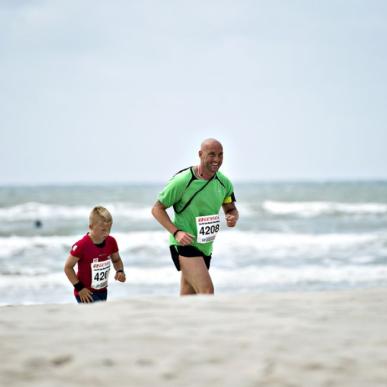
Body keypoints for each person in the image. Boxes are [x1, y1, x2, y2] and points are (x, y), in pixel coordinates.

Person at [151, 138, 239, 295]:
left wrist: (232, 216)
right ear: (200, 154)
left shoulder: (224, 183)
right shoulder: (183, 180)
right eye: (212, 154)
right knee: (206, 290)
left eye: (220, 155)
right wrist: (176, 232)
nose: (217, 160)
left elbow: (230, 208)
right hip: (184, 245)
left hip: (205, 247)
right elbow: (157, 209)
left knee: (188, 297)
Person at [64, 206, 126, 303]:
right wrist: (80, 288)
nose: (107, 233)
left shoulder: (111, 242)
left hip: (102, 291)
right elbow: (68, 267)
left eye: (109, 229)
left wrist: (120, 271)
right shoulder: (81, 245)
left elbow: (116, 260)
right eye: (103, 230)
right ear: (91, 227)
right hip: (85, 293)